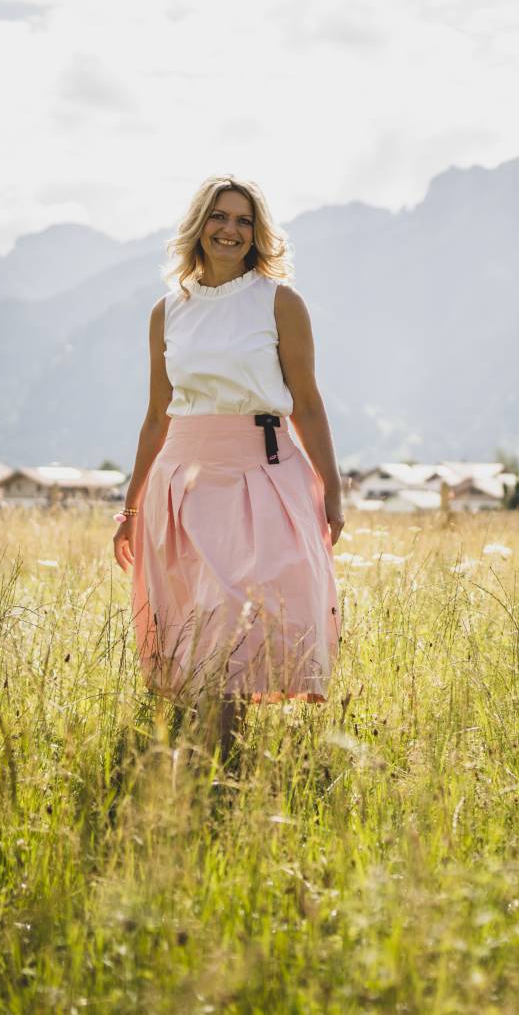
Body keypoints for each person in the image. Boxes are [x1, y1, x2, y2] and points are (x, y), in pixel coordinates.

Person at [112, 175, 344, 754]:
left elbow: (308, 403)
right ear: (199, 225)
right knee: (192, 627)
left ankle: (225, 767)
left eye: (244, 220)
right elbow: (155, 416)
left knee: (239, 622)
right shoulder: (167, 312)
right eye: (220, 217)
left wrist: (332, 490)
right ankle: (197, 766)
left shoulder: (279, 302)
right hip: (181, 484)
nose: (231, 230)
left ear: (258, 233)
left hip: (261, 476)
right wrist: (131, 506)